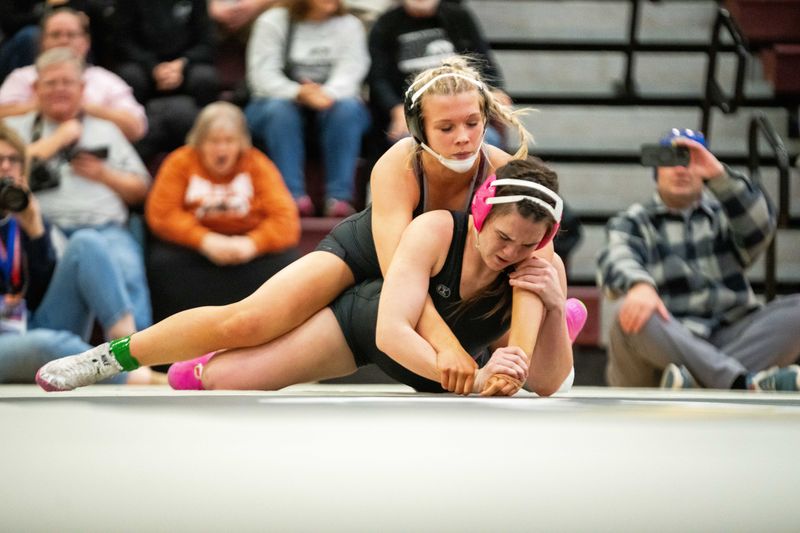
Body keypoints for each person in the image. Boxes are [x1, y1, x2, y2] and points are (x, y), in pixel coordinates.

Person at [34, 56, 575, 394]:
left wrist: (526, 344)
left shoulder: (502, 174)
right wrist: (449, 352)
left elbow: (534, 256)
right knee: (247, 321)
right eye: (447, 126)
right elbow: (394, 271)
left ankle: (549, 332)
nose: (463, 138)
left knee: (517, 272)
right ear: (418, 127)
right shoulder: (398, 164)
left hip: (440, 268)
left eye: (474, 123)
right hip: (372, 253)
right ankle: (107, 356)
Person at [38, 157, 576, 395]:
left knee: (224, 379)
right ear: (479, 214)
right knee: (247, 321)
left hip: (421, 306)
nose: (511, 252)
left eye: (528, 245)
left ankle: (198, 369)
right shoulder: (417, 192)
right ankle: (110, 356)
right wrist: (468, 373)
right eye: (502, 238)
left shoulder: (532, 247)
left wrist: (551, 308)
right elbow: (394, 327)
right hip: (375, 277)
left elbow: (544, 382)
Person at [597, 128, 800, 392]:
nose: (681, 169)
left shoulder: (725, 216)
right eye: (671, 159)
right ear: (657, 170)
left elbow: (762, 226)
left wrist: (720, 175)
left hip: (731, 334)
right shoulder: (633, 220)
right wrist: (640, 285)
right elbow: (616, 256)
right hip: (665, 343)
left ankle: (695, 381)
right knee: (633, 316)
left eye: (691, 159)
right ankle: (739, 382)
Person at [3, 47, 153, 330]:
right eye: (51, 83)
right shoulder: (15, 129)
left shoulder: (106, 129)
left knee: (127, 268)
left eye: (67, 82)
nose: (60, 89)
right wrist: (57, 140)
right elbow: (5, 170)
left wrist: (105, 175)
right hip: (42, 231)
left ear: (82, 88)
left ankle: (140, 359)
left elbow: (141, 189)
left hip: (105, 227)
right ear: (35, 88)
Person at [0, 121, 159, 385]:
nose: (6, 166)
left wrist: (37, 232)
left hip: (30, 325)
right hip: (12, 342)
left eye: (13, 159)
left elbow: (41, 293)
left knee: (87, 242)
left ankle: (131, 351)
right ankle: (133, 377)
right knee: (47, 345)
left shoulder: (27, 218)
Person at [145, 101, 301, 319]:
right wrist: (204, 240)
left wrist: (252, 243)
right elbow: (162, 215)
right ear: (199, 142)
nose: (221, 149)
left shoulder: (257, 164)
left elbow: (285, 221)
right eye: (213, 141)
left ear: (241, 143)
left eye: (229, 141)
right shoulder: (179, 162)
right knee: (162, 262)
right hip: (197, 249)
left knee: (288, 261)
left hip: (246, 249)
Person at [245, 0, 371, 216]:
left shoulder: (350, 25)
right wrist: (299, 93)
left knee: (348, 109)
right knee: (280, 111)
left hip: (330, 104)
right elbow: (262, 76)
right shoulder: (273, 21)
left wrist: (325, 94)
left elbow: (352, 73)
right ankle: (292, 197)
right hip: (275, 104)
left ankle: (339, 199)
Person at [367, 0, 510, 150]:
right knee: (408, 143)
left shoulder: (459, 17)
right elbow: (378, 78)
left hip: (460, 106)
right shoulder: (386, 23)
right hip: (412, 113)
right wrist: (395, 108)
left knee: (490, 139)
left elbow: (483, 61)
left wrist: (495, 89)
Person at [0, 7, 148, 142]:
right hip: (28, 156)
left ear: (86, 42)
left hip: (95, 160)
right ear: (42, 42)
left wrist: (86, 107)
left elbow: (137, 129)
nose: (64, 41)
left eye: (71, 35)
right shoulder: (21, 77)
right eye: (56, 35)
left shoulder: (105, 79)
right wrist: (42, 106)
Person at [113, 0, 221, 162]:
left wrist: (182, 64)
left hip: (185, 66)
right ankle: (133, 149)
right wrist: (153, 67)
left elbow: (207, 41)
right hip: (145, 67)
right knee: (130, 76)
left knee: (205, 78)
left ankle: (208, 141)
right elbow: (123, 41)